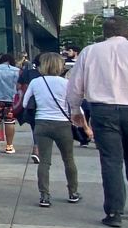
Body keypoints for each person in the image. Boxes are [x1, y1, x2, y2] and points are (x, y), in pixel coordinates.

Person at [66, 17, 128, 228]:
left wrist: (76, 109)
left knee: (111, 161)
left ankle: (114, 212)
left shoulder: (90, 52)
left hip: (103, 111)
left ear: (104, 32)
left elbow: (76, 85)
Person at [22, 52, 88, 208]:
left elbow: (25, 104)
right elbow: (75, 106)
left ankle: (44, 196)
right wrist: (86, 126)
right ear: (60, 66)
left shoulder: (36, 82)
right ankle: (73, 192)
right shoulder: (66, 84)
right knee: (68, 160)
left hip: (42, 123)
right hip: (62, 124)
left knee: (44, 162)